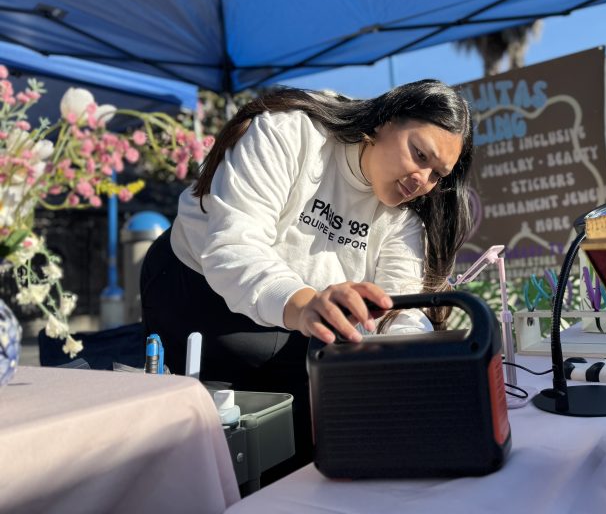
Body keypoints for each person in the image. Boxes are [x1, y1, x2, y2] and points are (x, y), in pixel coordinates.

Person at [140, 79, 473, 472]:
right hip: (196, 287)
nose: (422, 181)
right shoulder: (292, 132)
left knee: (304, 447)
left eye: (437, 175)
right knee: (206, 441)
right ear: (384, 119)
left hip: (305, 316)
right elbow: (233, 247)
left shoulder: (406, 219)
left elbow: (400, 311)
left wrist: (402, 367)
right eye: (419, 154)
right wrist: (304, 305)